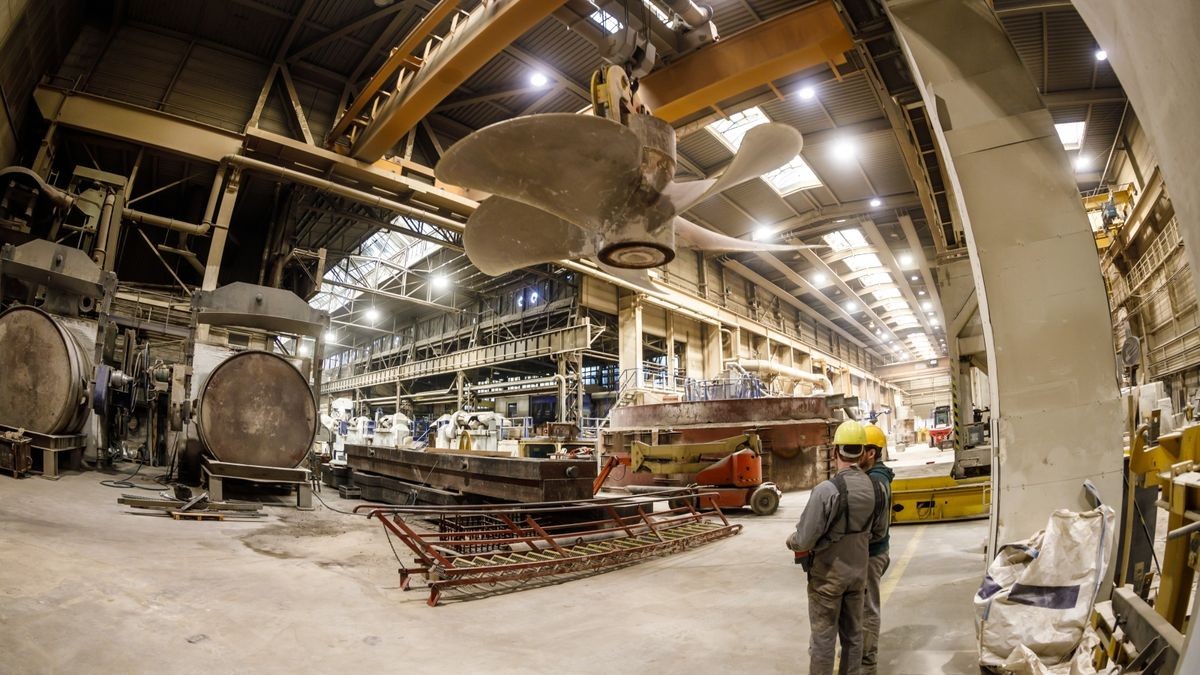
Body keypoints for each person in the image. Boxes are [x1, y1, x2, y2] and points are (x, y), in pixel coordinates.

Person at [787, 420, 886, 675]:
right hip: (858, 576)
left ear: (835, 452)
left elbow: (805, 539)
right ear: (863, 453)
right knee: (854, 637)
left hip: (828, 578)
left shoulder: (826, 491)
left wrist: (792, 541)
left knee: (823, 640)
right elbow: (879, 532)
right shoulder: (877, 488)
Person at [860, 423, 895, 675]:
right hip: (868, 554)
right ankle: (860, 651)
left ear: (871, 453)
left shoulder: (876, 482)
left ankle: (867, 663)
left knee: (868, 608)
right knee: (860, 607)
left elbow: (877, 530)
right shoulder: (871, 477)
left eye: (857, 449)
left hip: (871, 556)